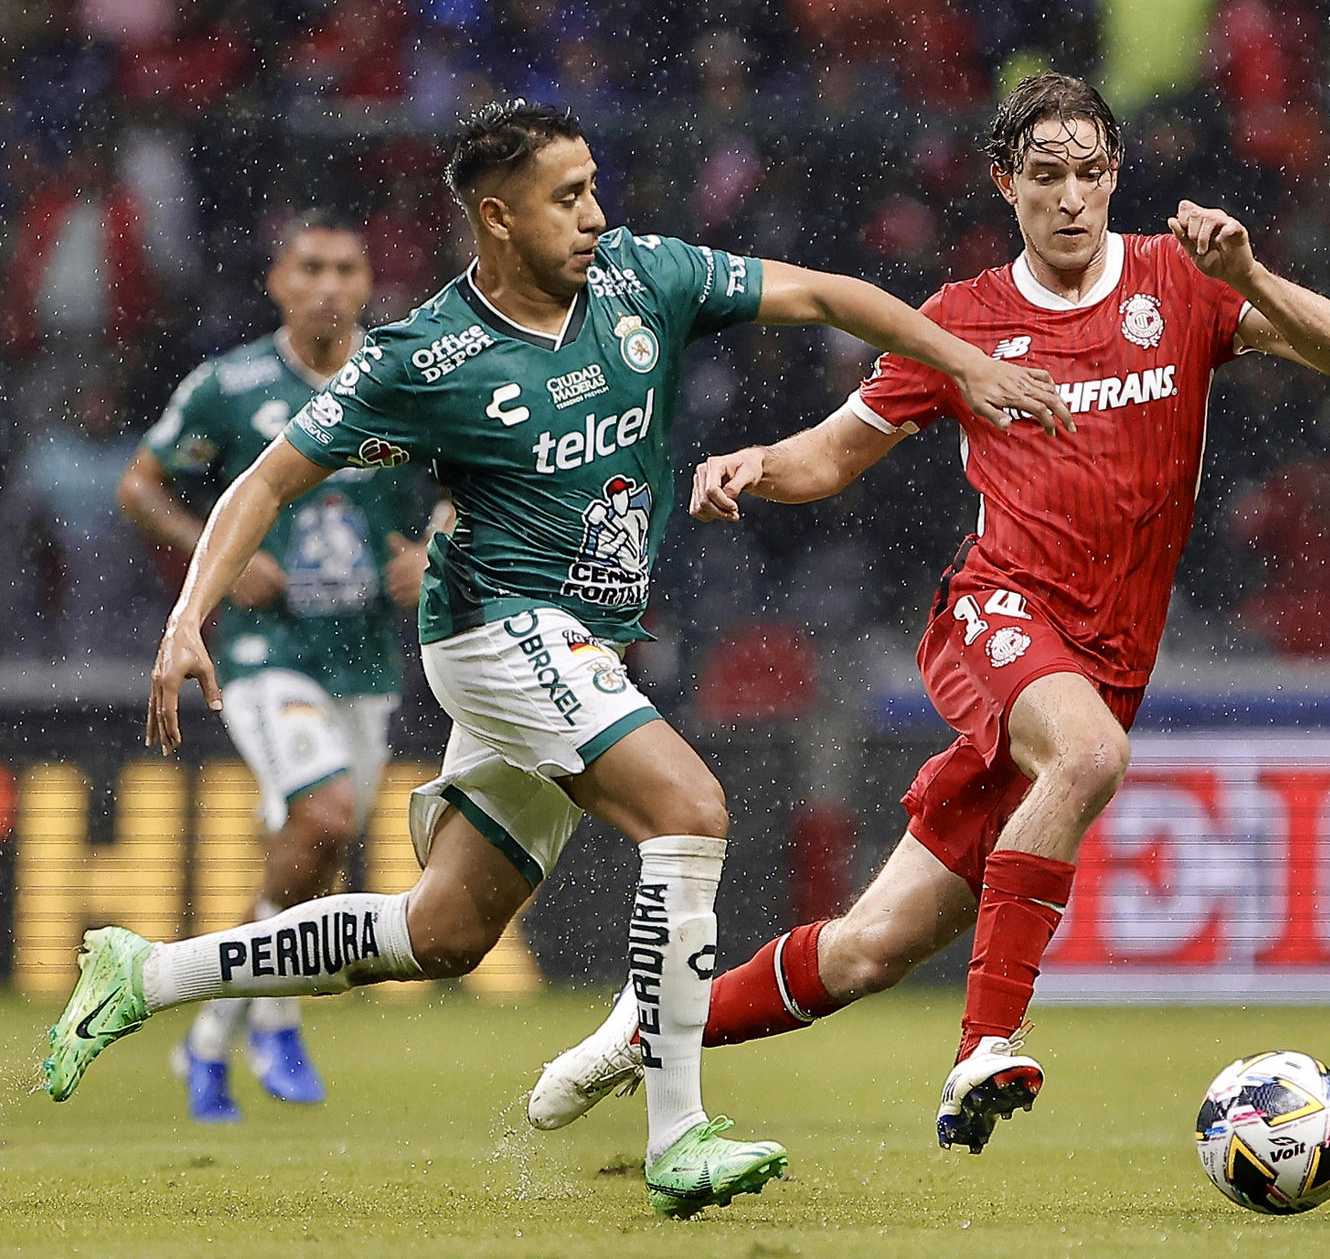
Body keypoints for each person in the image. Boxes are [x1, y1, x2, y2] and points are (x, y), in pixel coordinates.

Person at [44, 99, 1065, 1218]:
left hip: (587, 644)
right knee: (691, 807)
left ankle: (146, 972)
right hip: (493, 628)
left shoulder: (642, 277)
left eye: (593, 187)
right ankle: (678, 1134)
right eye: (566, 197)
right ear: (496, 217)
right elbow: (265, 479)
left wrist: (962, 360)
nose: (595, 214)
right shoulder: (428, 353)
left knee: (442, 932)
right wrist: (189, 611)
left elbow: (823, 294)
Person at [527, 72, 1330, 1154]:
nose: (1070, 199)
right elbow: (835, 450)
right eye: (1046, 176)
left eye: (1090, 174)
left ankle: (646, 1029)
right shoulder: (963, 319)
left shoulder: (1180, 279)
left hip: (1105, 661)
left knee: (870, 948)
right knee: (1092, 757)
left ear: (1118, 177)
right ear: (1005, 182)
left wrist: (1246, 268)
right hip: (996, 619)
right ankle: (986, 1042)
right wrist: (754, 467)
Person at [116, 211, 438, 1122]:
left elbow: (468, 476)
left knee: (313, 855)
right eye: (310, 267)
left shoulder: (405, 374)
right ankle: (279, 1018)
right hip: (265, 654)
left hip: (366, 656)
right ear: (279, 282)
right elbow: (140, 484)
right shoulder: (233, 384)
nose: (328, 284)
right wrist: (213, 557)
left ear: (368, 279)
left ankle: (210, 1042)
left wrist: (434, 550)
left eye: (345, 266)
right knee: (325, 815)